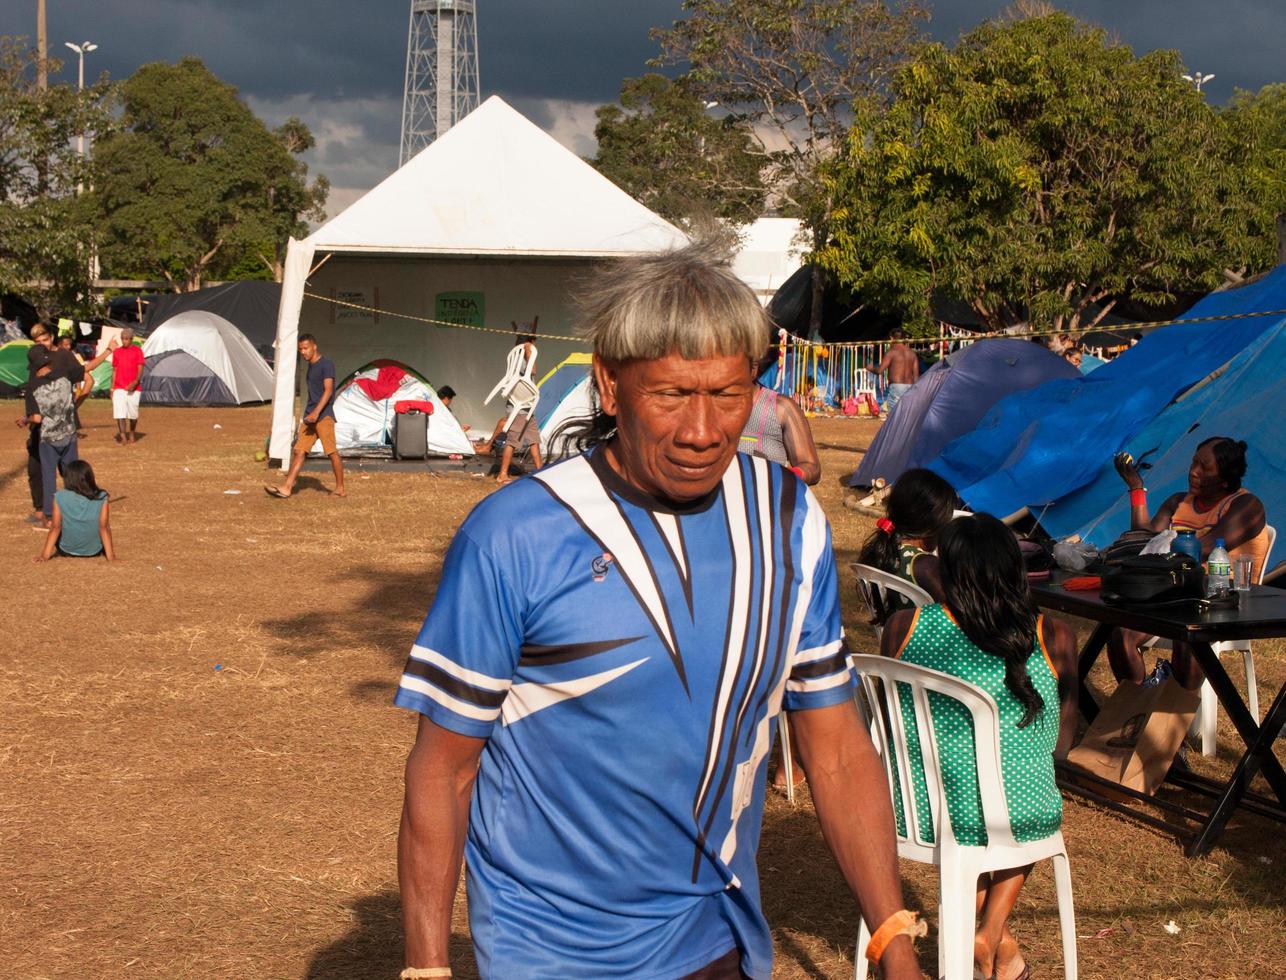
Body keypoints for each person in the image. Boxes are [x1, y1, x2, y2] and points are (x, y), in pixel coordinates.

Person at [396, 246, 921, 980]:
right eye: (671, 394)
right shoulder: (515, 535)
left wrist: (892, 940)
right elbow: (443, 772)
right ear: (609, 385)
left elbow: (832, 747)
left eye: (728, 394)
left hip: (715, 934)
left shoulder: (787, 518)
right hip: (549, 948)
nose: (702, 430)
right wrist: (427, 968)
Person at [880, 514, 1078, 980]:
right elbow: (1059, 745)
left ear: (946, 572)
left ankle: (996, 945)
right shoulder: (1053, 635)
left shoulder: (902, 626)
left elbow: (923, 567)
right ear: (1016, 571)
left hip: (916, 812)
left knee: (994, 797)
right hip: (1014, 813)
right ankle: (991, 937)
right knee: (1031, 789)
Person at [1108, 437, 1268, 688]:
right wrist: (1136, 488)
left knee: (1187, 634)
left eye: (1205, 468)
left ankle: (1177, 709)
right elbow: (1143, 540)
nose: (1193, 471)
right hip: (1175, 595)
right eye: (1194, 462)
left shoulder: (1247, 506)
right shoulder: (1178, 502)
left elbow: (1202, 549)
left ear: (1225, 479)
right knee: (1121, 635)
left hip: (1222, 601)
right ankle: (1138, 708)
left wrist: (1157, 553)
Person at [856, 467, 958, 614]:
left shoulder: (885, 548)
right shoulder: (925, 565)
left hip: (894, 635)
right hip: (924, 636)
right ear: (931, 524)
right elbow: (961, 612)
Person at [265, 334, 346, 498]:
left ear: (314, 347)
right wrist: (309, 414)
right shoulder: (310, 367)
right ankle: (286, 488)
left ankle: (340, 488)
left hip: (324, 416)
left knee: (331, 452)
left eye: (305, 348)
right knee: (299, 451)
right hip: (310, 417)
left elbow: (328, 390)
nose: (303, 352)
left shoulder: (326, 364)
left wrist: (317, 412)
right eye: (300, 349)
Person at [737, 352, 822, 485]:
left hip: (767, 501)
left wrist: (783, 477)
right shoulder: (713, 408)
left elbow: (811, 467)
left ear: (753, 369)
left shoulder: (782, 408)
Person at [34, 459, 114, 562]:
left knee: (55, 525)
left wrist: (44, 556)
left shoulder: (59, 496)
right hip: (94, 551)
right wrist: (111, 557)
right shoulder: (102, 496)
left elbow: (55, 527)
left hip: (66, 550)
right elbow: (104, 527)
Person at [16, 325, 55, 523]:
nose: (42, 346)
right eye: (38, 343)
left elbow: (86, 379)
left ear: (52, 337)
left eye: (45, 340)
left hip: (49, 429)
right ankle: (41, 510)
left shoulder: (60, 360)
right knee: (36, 469)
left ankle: (48, 513)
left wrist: (26, 419)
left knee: (48, 469)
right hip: (41, 429)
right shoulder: (36, 369)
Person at [472, 409, 542, 484]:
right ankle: (502, 475)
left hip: (530, 411)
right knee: (512, 442)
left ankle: (540, 471)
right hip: (520, 410)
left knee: (534, 441)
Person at [110, 327, 146, 445]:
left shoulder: (138, 351)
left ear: (131, 339)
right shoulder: (117, 352)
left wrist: (135, 382)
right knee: (120, 413)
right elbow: (114, 370)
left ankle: (131, 433)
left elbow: (140, 368)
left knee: (133, 413)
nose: (124, 341)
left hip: (134, 388)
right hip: (119, 387)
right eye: (122, 339)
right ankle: (123, 436)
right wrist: (112, 388)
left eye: (126, 339)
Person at [875, 329, 919, 415]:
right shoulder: (912, 353)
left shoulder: (891, 352)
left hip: (896, 387)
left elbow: (880, 370)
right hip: (910, 387)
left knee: (894, 416)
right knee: (906, 415)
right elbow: (916, 377)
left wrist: (870, 368)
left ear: (892, 338)